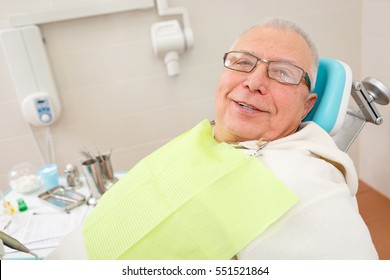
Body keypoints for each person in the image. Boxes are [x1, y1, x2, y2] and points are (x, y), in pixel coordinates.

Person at [48, 18, 378, 260]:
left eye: (282, 73)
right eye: (243, 62)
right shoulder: (205, 136)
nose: (254, 82)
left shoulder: (300, 183)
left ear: (307, 106)